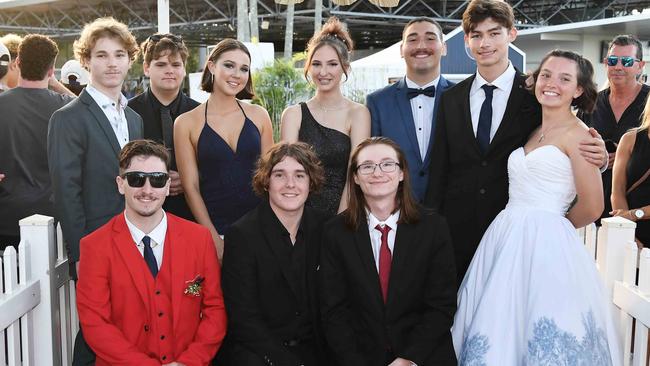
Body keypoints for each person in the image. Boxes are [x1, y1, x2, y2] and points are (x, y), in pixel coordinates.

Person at [453, 50, 621, 365]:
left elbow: (593, 206)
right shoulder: (532, 129)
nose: (552, 83)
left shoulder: (581, 137)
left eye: (564, 78)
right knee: (501, 316)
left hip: (547, 243)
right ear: (535, 79)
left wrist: (552, 228)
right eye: (546, 74)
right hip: (504, 234)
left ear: (579, 89)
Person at [425, 0, 607, 283]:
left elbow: (567, 142)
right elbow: (439, 167)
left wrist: (601, 159)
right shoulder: (451, 98)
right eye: (477, 35)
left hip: (516, 240)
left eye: (494, 33)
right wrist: (432, 227)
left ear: (511, 34)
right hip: (455, 232)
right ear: (467, 41)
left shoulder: (537, 96)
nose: (485, 43)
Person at [76, 140, 226, 365]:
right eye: (136, 179)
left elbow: (215, 311)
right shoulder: (94, 246)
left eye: (157, 180)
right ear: (120, 184)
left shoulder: (199, 239)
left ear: (168, 185)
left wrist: (189, 361)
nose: (147, 190)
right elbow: (95, 324)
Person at [47, 17, 143, 365]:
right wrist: (82, 257)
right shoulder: (68, 117)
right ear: (86, 61)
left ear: (130, 59)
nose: (112, 63)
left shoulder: (134, 119)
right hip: (95, 247)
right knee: (94, 338)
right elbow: (65, 192)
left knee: (131, 332)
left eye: (119, 54)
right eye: (101, 55)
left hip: (135, 241)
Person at [320, 137, 457, 366]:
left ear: (402, 172)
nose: (377, 172)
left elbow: (441, 306)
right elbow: (334, 312)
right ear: (355, 177)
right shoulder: (335, 233)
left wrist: (409, 359)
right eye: (367, 166)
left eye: (387, 164)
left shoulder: (434, 228)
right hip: (358, 357)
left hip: (422, 355)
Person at [220, 142, 330, 366]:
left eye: (300, 175)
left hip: (317, 349)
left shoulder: (327, 228)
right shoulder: (241, 235)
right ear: (266, 182)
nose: (290, 184)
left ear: (311, 183)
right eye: (280, 175)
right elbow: (243, 318)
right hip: (261, 352)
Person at [175, 38, 273, 260]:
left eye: (244, 68)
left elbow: (271, 178)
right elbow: (190, 187)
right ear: (211, 66)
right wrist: (212, 238)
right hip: (215, 230)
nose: (237, 74)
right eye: (229, 65)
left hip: (260, 229)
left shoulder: (259, 116)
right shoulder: (186, 123)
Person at [280, 17, 370, 215]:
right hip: (299, 216)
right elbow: (288, 175)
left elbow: (354, 174)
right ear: (308, 67)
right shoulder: (293, 115)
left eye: (332, 64)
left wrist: (340, 223)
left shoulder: (358, 113)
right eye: (316, 64)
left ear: (345, 67)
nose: (323, 72)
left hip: (344, 214)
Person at [0, 34, 75, 250]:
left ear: (17, 63)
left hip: (6, 218)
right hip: (54, 219)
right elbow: (92, 109)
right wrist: (55, 83)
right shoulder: (67, 108)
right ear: (52, 70)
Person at [366, 17, 453, 202]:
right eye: (412, 39)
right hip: (396, 210)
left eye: (430, 38)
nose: (421, 45)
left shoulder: (462, 96)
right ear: (401, 50)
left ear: (444, 48)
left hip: (450, 211)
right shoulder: (377, 102)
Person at [129, 32, 200, 221]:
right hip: (140, 215)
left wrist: (190, 180)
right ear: (146, 68)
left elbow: (214, 164)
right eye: (161, 64)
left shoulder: (200, 113)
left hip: (191, 215)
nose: (169, 70)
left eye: (176, 64)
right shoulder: (128, 113)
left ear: (184, 69)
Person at [579, 35, 649, 221]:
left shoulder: (649, 102)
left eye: (626, 61)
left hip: (638, 209)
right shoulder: (591, 103)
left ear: (640, 66)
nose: (618, 67)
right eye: (612, 61)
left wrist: (625, 156)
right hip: (592, 205)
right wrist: (596, 157)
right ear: (605, 63)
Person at [611, 95, 650, 248]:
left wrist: (634, 214)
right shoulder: (630, 139)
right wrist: (628, 233)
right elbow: (617, 190)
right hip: (630, 233)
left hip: (631, 218)